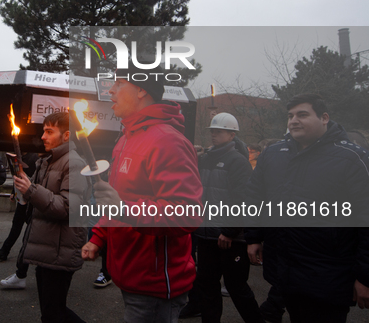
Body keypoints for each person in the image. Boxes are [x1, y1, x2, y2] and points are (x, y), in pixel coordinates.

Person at [82, 64, 203, 322]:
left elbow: (187, 213)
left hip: (156, 286)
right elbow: (115, 199)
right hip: (128, 275)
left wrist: (124, 209)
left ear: (140, 90)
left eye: (118, 83)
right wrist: (99, 236)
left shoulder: (168, 141)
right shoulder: (126, 138)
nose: (110, 91)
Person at [246, 93, 369, 323]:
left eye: (302, 115)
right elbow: (255, 197)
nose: (293, 120)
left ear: (324, 118)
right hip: (285, 271)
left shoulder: (353, 158)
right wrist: (254, 237)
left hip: (328, 277)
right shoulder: (273, 154)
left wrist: (365, 277)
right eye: (290, 116)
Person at [10, 111, 91, 322]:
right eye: (43, 131)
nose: (43, 136)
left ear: (66, 135)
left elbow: (67, 208)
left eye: (49, 131)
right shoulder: (48, 160)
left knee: (53, 313)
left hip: (60, 250)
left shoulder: (73, 163)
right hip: (48, 248)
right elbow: (37, 197)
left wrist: (32, 190)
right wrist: (22, 188)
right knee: (51, 312)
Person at [192, 113, 264, 323]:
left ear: (232, 135)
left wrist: (229, 230)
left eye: (219, 131)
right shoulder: (204, 159)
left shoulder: (238, 162)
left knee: (236, 287)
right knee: (207, 286)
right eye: (212, 131)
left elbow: (243, 200)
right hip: (206, 236)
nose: (214, 135)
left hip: (229, 238)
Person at [0, 152, 38, 261]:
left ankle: (15, 253)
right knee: (17, 225)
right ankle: (5, 250)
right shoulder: (22, 157)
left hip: (30, 198)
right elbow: (18, 176)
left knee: (28, 227)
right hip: (23, 197)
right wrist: (14, 192)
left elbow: (30, 178)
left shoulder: (33, 158)